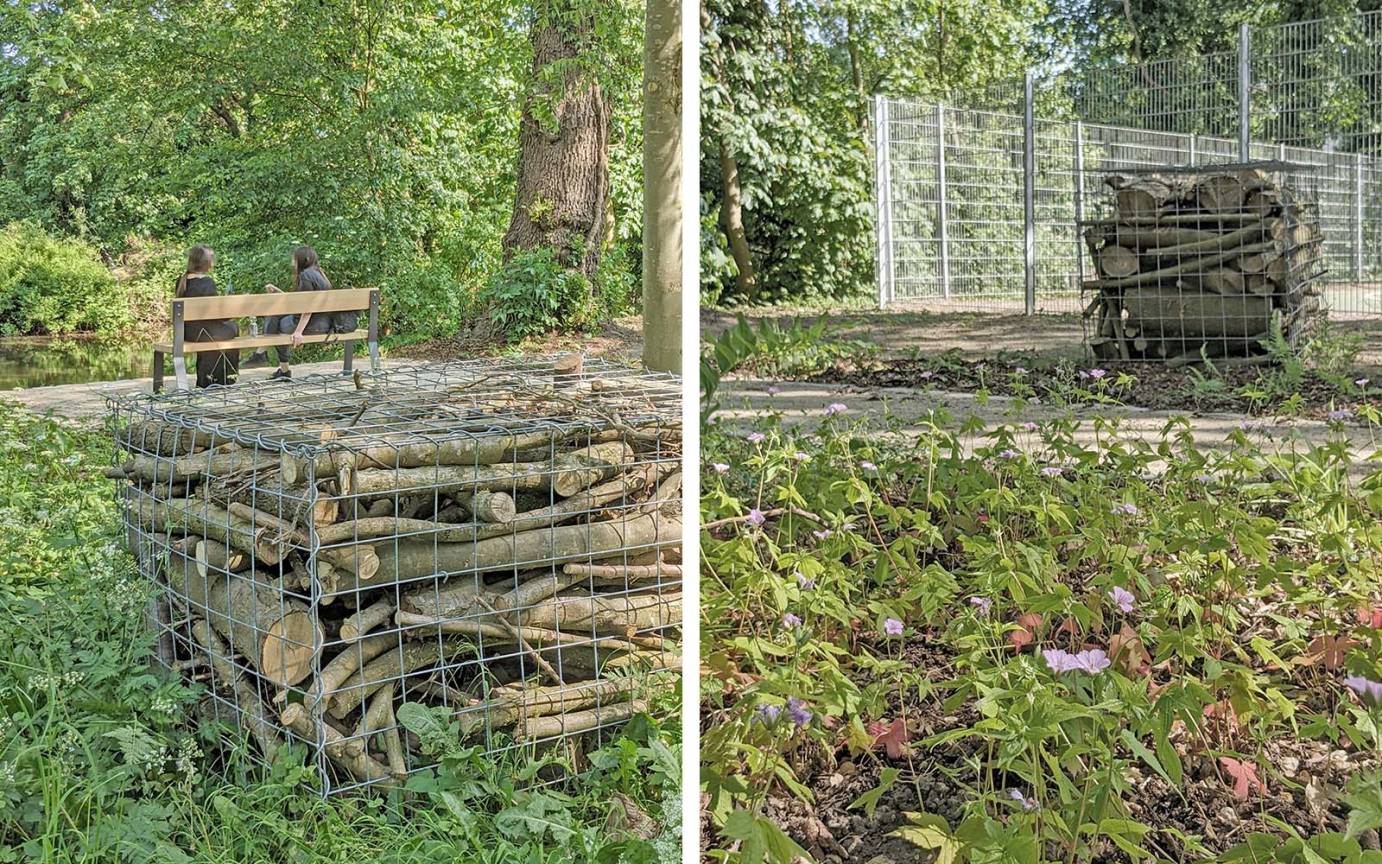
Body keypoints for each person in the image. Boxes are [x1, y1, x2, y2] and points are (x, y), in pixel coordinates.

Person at [252, 245, 355, 380]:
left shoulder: (306, 276)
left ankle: (262, 354)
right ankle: (267, 358)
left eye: (294, 259)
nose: (293, 263)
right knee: (276, 315)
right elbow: (301, 303)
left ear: (302, 260)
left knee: (274, 317)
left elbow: (308, 307)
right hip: (326, 324)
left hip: (312, 325)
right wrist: (279, 292)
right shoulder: (320, 274)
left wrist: (298, 332)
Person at [175, 245, 239, 388]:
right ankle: (225, 378)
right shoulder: (206, 282)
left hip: (187, 332)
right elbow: (217, 315)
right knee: (233, 328)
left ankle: (207, 379)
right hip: (204, 332)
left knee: (215, 333)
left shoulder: (181, 280)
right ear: (205, 262)